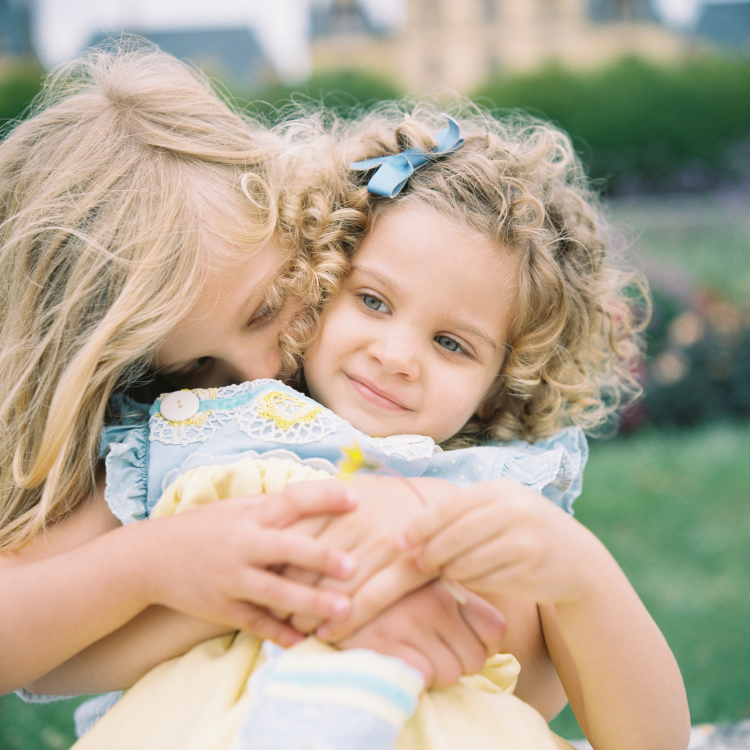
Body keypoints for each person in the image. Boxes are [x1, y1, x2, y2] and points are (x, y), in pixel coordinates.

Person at [52, 109, 688, 750]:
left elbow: (650, 739)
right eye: (374, 301)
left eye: (451, 343)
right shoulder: (200, 430)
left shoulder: (498, 502)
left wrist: (585, 576)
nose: (397, 355)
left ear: (501, 382)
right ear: (321, 276)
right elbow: (47, 659)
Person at [0, 41, 506, 722]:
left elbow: (535, 671)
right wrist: (152, 565)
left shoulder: (418, 399)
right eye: (189, 367)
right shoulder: (179, 433)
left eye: (267, 308)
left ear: (298, 216)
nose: (259, 372)